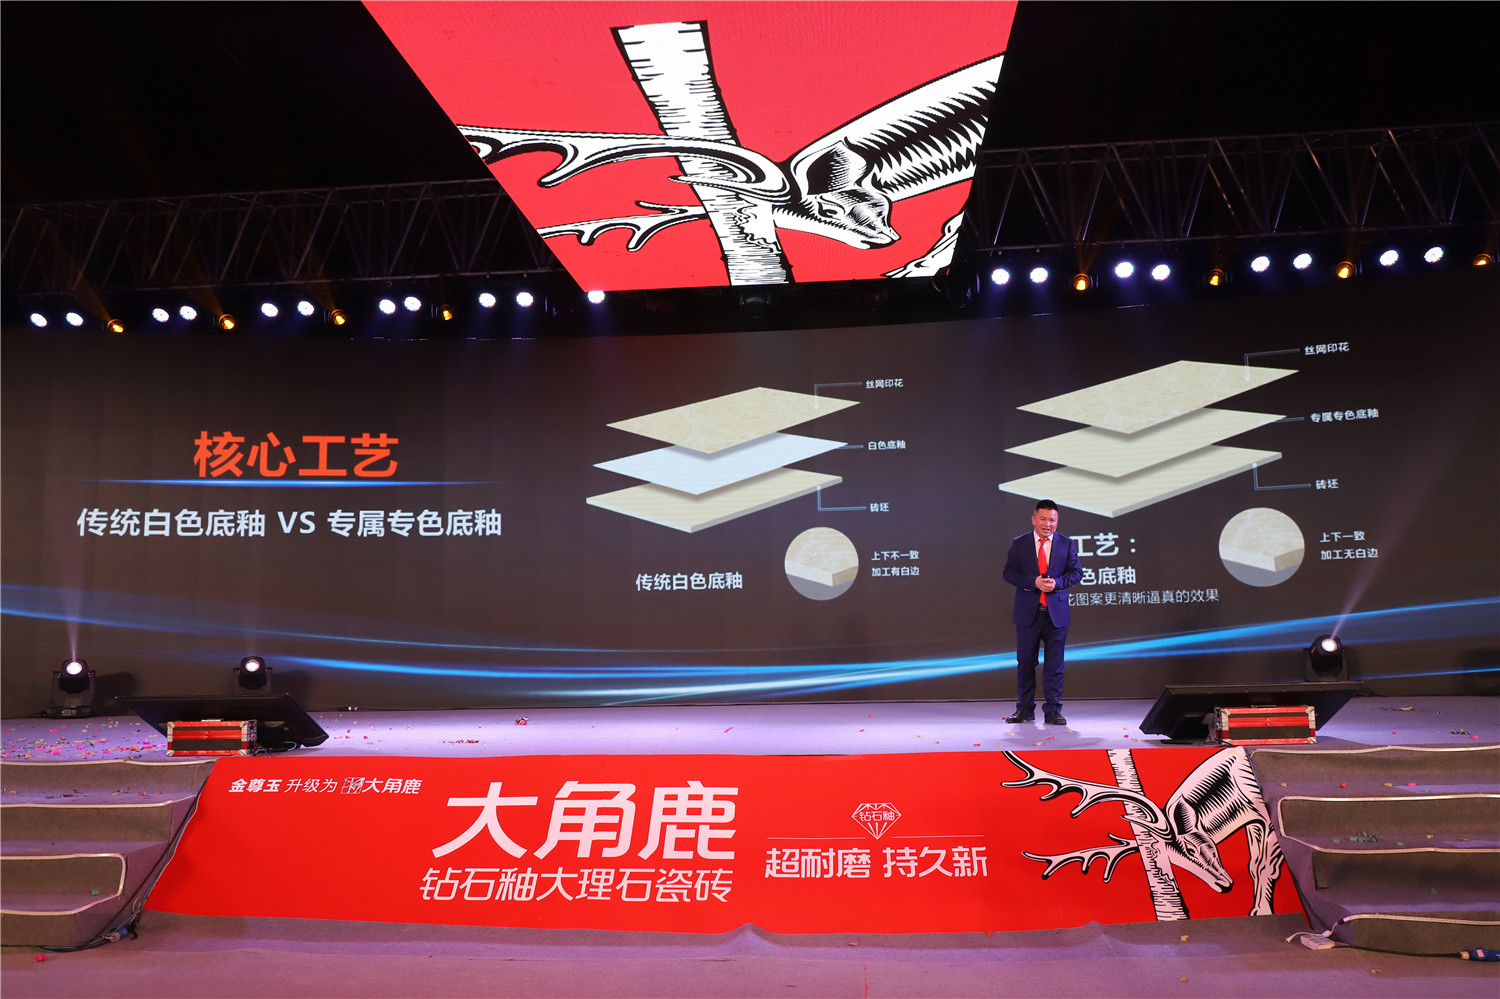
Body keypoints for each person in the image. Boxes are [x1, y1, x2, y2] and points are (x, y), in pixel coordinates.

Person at [1002, 499, 1082, 725]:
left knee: (1055, 666)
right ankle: (1024, 710)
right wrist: (1033, 582)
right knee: (1026, 663)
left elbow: (1076, 572)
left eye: (1052, 520)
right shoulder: (1019, 544)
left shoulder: (1066, 543)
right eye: (1043, 519)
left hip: (1056, 614)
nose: (1048, 524)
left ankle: (1053, 711)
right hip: (1028, 614)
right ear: (1034, 519)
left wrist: (1057, 583)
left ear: (1057, 521)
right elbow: (1008, 573)